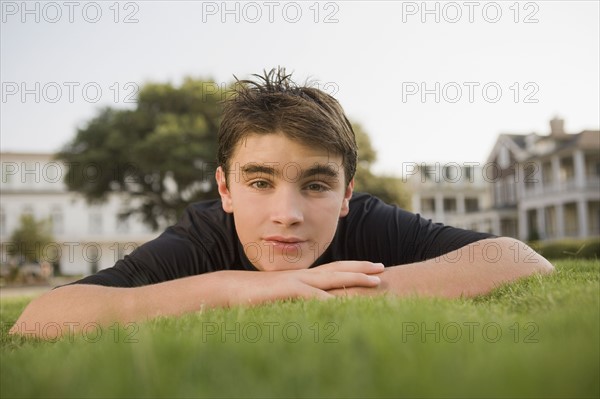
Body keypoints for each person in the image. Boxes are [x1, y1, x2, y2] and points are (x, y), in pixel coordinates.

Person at [10, 68, 553, 338]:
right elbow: (38, 320)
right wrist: (239, 288)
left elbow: (521, 260)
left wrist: (324, 294)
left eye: (316, 185)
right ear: (224, 189)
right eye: (260, 182)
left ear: (345, 193)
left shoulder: (368, 221)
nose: (287, 214)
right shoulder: (203, 237)